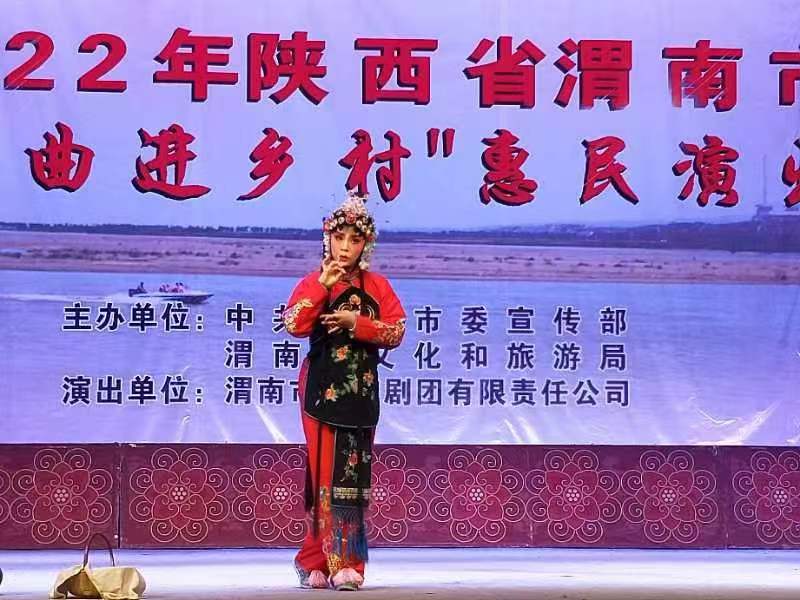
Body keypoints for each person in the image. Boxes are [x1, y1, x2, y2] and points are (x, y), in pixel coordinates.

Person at [283, 191, 406, 591]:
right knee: (324, 474)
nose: (346, 247)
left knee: (351, 477)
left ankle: (326, 560)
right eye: (340, 238)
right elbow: (293, 324)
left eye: (355, 240)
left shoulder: (378, 285)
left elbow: (396, 330)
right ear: (328, 239)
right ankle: (331, 561)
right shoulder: (314, 281)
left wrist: (358, 324)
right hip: (321, 390)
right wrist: (321, 288)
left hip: (360, 392)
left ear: (365, 245)